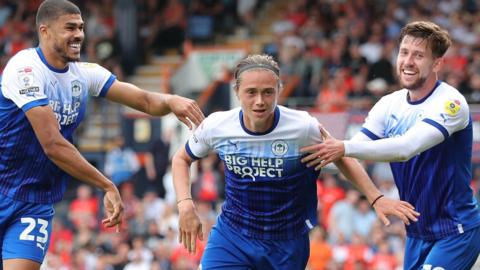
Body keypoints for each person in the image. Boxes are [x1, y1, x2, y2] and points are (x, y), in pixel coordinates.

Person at [0, 1, 205, 269]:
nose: (79, 35)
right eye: (70, 28)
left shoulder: (85, 74)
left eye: (81, 28)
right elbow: (52, 144)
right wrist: (106, 184)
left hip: (34, 202)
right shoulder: (25, 69)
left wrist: (171, 100)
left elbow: (143, 100)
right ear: (45, 31)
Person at [172, 54, 418, 269]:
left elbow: (340, 155)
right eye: (251, 92)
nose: (260, 101)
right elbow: (181, 158)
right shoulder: (217, 126)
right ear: (237, 91)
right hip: (233, 235)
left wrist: (376, 198)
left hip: (286, 243)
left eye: (268, 92)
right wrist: (185, 205)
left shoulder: (302, 127)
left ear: (279, 90)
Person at [301, 21, 480, 270]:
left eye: (419, 55)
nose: (408, 61)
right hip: (417, 234)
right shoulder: (388, 105)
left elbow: (405, 148)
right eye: (404, 52)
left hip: (456, 230)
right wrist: (375, 198)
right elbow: (349, 155)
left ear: (437, 63)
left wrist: (343, 146)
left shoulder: (451, 103)